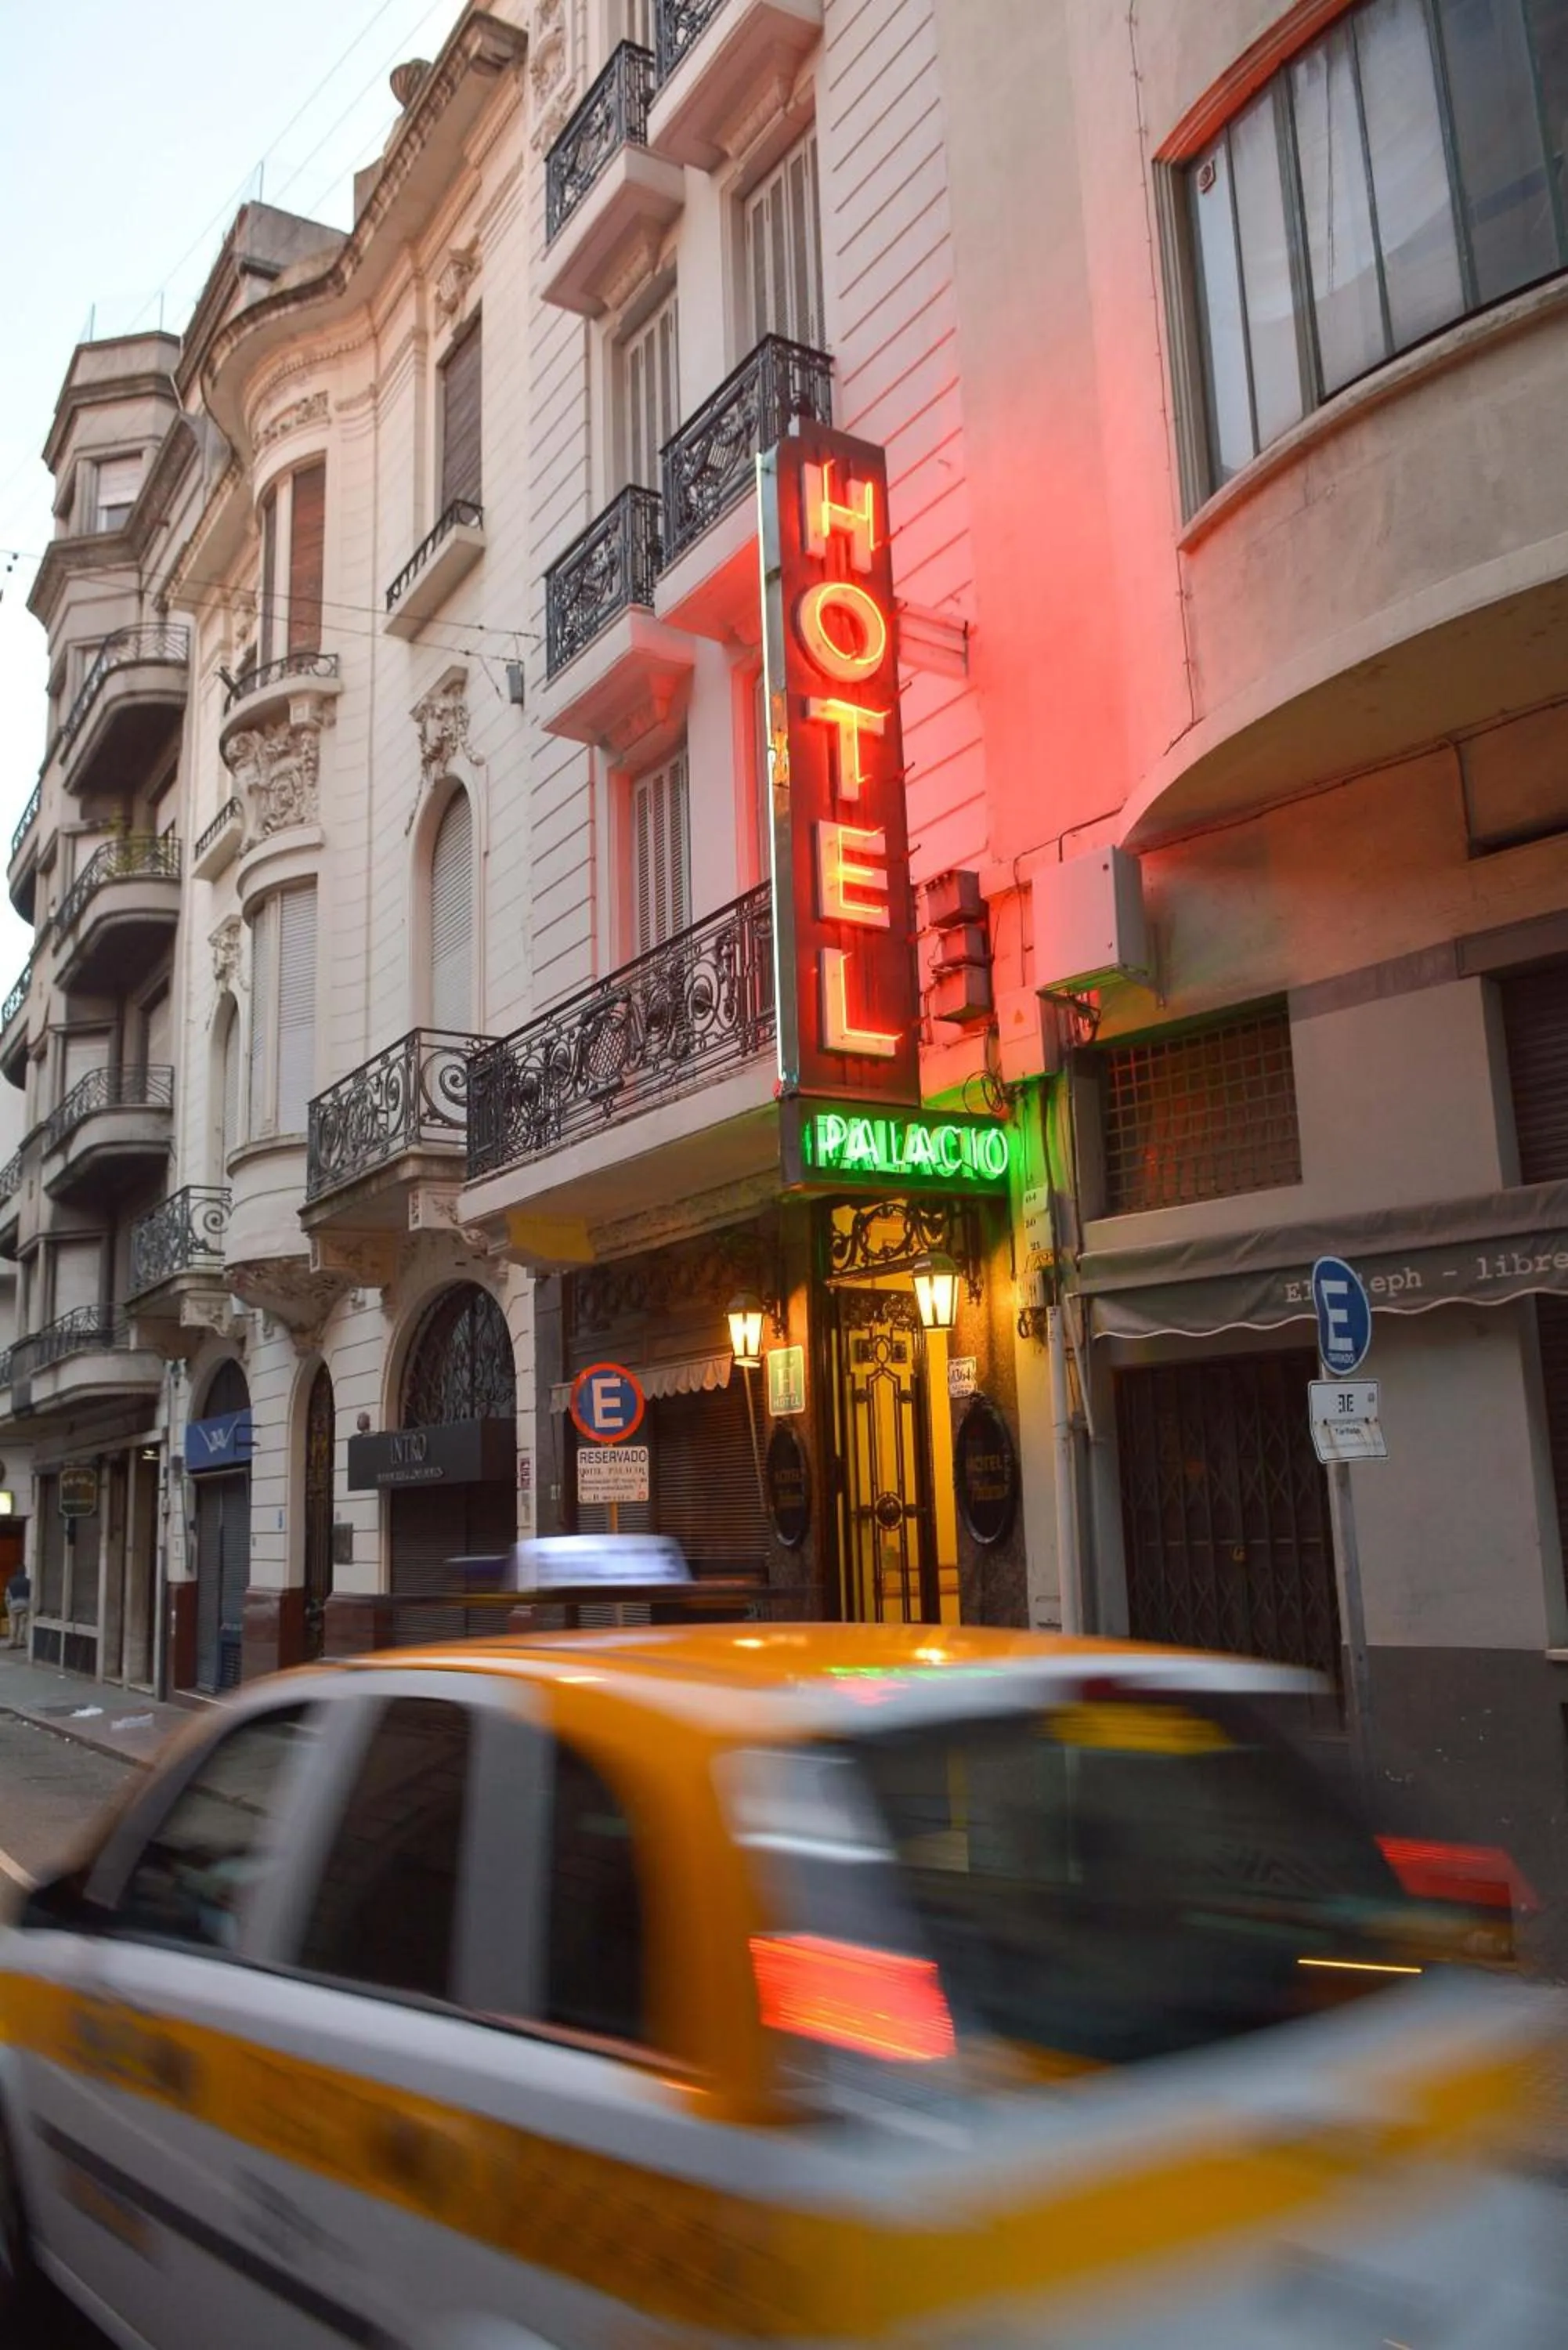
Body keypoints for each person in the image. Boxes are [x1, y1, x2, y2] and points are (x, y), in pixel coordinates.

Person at [6, 1567, 31, 1651]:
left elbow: (8, 1594)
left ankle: (12, 1641)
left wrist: (8, 1604)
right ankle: (21, 1641)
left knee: (13, 1624)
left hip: (14, 1604)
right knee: (22, 1624)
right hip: (25, 1604)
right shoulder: (28, 1582)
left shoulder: (11, 1581)